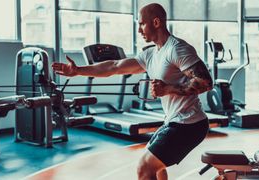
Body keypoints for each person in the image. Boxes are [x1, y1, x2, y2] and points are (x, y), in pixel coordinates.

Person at [52, 3, 213, 180]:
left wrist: (168, 89)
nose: (139, 30)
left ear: (156, 22)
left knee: (144, 168)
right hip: (174, 120)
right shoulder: (151, 54)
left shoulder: (178, 49)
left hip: (189, 124)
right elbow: (114, 66)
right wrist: (78, 71)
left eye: (142, 24)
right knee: (156, 167)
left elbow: (205, 82)